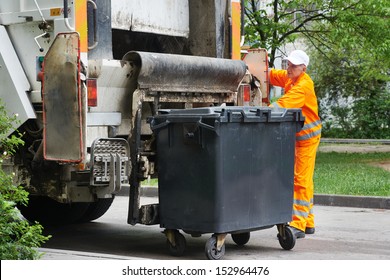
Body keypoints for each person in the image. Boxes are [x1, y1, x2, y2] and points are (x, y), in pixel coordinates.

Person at [269, 50, 322, 239]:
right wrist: (255, 68)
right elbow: (275, 75)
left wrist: (261, 112)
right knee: (305, 179)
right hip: (299, 138)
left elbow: (283, 104)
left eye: (293, 65)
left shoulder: (303, 86)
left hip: (307, 139)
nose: (288, 68)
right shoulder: (292, 78)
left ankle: (298, 225)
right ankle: (308, 222)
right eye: (288, 64)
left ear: (303, 68)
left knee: (300, 180)